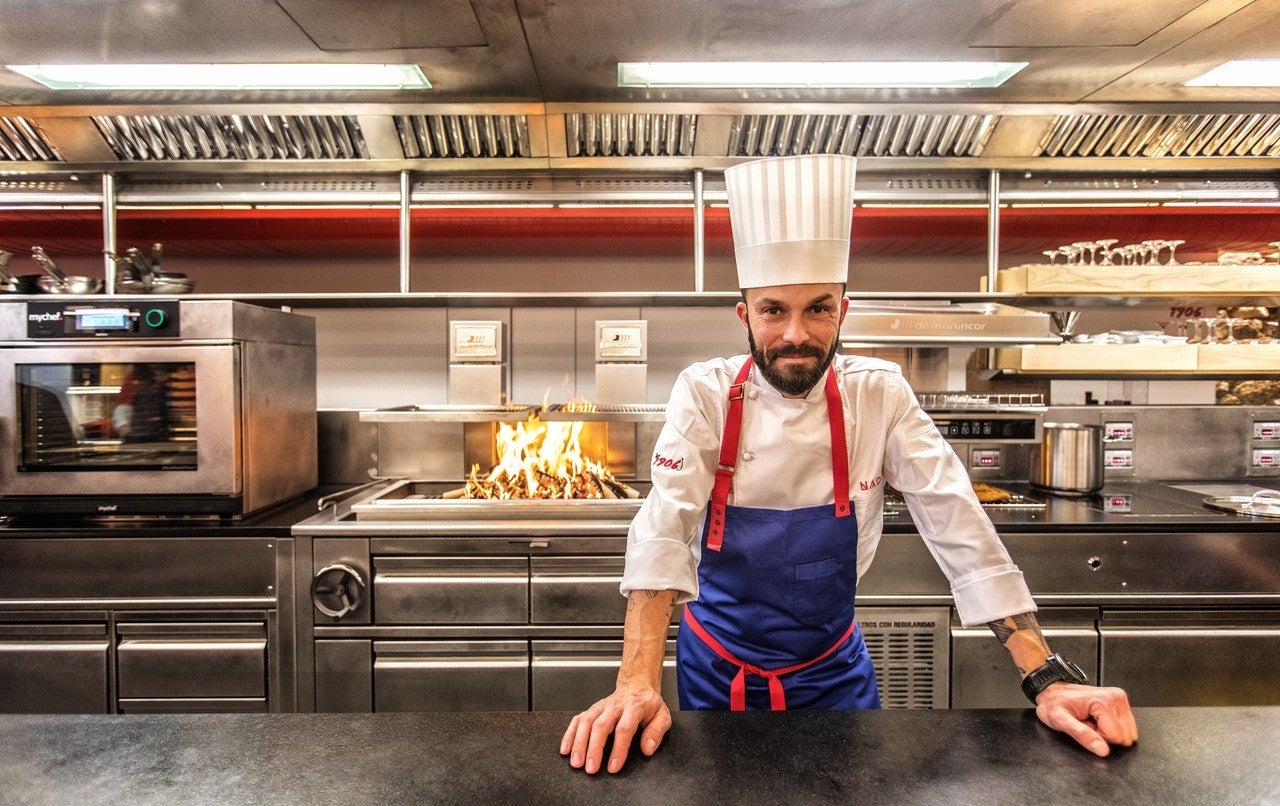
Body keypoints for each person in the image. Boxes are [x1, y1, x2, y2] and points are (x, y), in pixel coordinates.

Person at [560, 154, 1137, 775]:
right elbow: (664, 524)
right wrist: (637, 682)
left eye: (818, 308)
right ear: (744, 314)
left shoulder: (878, 392)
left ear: (843, 308)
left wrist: (1045, 677)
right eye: (774, 310)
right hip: (717, 668)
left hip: (835, 670)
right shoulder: (704, 392)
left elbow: (957, 520)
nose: (795, 334)